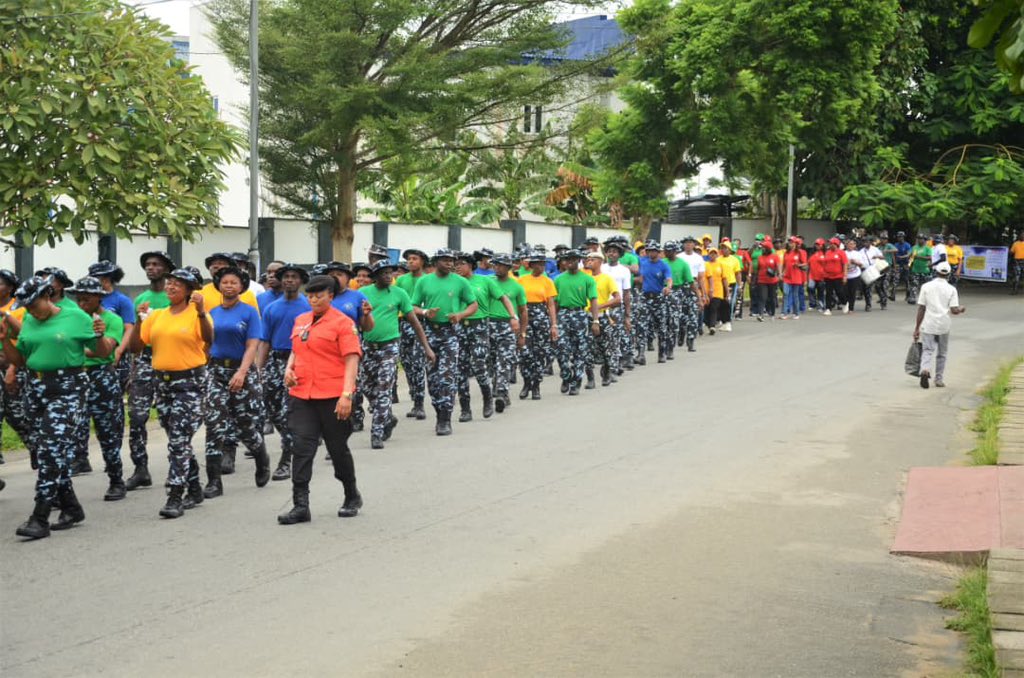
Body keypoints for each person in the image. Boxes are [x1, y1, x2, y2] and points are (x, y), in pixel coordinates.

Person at [3, 276, 112, 539]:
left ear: (48, 296)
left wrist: (99, 336)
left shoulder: (76, 318)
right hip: (36, 387)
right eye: (26, 306)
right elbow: (23, 359)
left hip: (68, 387)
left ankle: (39, 517)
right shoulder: (29, 320)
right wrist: (5, 341)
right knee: (46, 452)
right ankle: (71, 508)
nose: (30, 310)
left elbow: (101, 352)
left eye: (34, 304)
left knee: (51, 450)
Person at [278, 275, 364, 524]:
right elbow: (296, 349)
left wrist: (347, 395)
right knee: (301, 449)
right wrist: (289, 369)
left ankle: (351, 494)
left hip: (333, 395)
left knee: (337, 449)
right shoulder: (301, 320)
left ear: (331, 296)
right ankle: (300, 505)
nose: (314, 299)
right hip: (302, 394)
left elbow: (351, 359)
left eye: (319, 295)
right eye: (311, 295)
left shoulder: (343, 323)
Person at [127, 268, 212, 519]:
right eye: (169, 283)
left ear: (189, 290)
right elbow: (136, 347)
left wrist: (202, 313)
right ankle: (195, 487)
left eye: (177, 284)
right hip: (162, 383)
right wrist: (140, 320)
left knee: (178, 438)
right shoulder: (158, 315)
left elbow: (209, 339)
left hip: (191, 383)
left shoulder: (197, 314)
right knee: (177, 438)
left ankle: (176, 494)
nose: (171, 287)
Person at [202, 266, 271, 498]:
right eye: (224, 282)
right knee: (214, 425)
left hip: (242, 371)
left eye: (234, 282)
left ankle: (262, 459)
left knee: (245, 426)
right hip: (216, 372)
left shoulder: (250, 312)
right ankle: (214, 481)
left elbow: (253, 345)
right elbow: (206, 342)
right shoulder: (212, 311)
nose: (229, 286)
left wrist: (242, 373)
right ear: (218, 286)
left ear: (241, 287)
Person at [360, 260, 434, 448]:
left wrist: (426, 347)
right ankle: (387, 416)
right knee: (367, 388)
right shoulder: (362, 294)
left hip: (390, 346)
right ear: (374, 276)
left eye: (390, 273)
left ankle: (376, 433)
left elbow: (415, 322)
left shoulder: (399, 294)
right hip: (368, 346)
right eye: (383, 273)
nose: (388, 276)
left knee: (384, 387)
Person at [68, 277, 127, 501]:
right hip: (76, 377)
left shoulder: (111, 319)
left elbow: (104, 351)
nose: (82, 302)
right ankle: (65, 482)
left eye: (87, 298)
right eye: (78, 298)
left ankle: (116, 479)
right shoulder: (72, 319)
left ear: (99, 297)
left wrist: (86, 345)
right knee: (72, 429)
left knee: (107, 431)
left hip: (101, 376)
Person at [410, 248, 478, 435]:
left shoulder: (460, 282)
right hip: (430, 332)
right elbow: (412, 306)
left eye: (452, 260)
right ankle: (439, 410)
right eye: (446, 260)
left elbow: (473, 304)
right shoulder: (424, 281)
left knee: (447, 377)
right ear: (436, 261)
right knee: (432, 380)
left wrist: (460, 314)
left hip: (451, 333)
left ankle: (445, 419)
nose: (450, 263)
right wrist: (425, 312)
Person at [124, 250, 176, 491]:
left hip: (169, 360)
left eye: (156, 264)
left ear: (166, 268)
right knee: (136, 416)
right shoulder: (141, 298)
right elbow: (137, 340)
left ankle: (179, 467)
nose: (151, 268)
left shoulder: (173, 296)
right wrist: (133, 371)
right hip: (145, 361)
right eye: (147, 264)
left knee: (170, 419)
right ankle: (140, 468)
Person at [257, 263, 310, 481]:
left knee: (290, 411)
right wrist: (258, 369)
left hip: (299, 361)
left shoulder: (307, 307)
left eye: (293, 277)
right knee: (271, 407)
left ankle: (287, 459)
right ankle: (294, 440)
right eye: (285, 276)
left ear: (300, 281)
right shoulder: (271, 309)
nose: (289, 280)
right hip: (275, 360)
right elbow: (265, 341)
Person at [455, 252, 516, 421]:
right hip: (459, 326)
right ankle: (465, 409)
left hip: (479, 326)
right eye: (456, 264)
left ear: (470, 265)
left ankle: (488, 398)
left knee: (480, 365)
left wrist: (513, 316)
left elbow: (504, 299)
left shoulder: (485, 281)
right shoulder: (454, 282)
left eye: (461, 263)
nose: (457, 267)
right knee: (460, 369)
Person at [553, 249, 599, 395]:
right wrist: (553, 322)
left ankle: (576, 382)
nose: (570, 262)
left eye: (573, 259)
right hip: (563, 315)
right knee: (561, 349)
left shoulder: (587, 279)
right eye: (567, 259)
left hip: (579, 314)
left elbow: (593, 300)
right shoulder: (559, 279)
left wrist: (595, 320)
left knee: (580, 350)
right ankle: (566, 376)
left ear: (578, 261)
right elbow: (554, 303)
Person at [913, 261, 966, 389]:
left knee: (927, 350)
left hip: (929, 323)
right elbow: (954, 310)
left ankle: (925, 370)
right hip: (944, 325)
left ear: (935, 272)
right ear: (948, 274)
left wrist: (916, 328)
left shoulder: (926, 286)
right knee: (942, 353)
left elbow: (921, 308)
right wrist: (961, 309)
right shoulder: (951, 289)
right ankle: (939, 379)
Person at [88, 261, 136, 396]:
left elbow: (129, 328)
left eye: (98, 278)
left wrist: (119, 352)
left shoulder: (121, 300)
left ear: (108, 279)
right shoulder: (89, 298)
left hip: (115, 350)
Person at [517, 250, 558, 400]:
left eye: (542, 264)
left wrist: (554, 324)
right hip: (525, 313)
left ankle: (536, 385)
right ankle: (526, 381)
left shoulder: (547, 281)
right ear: (531, 265)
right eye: (537, 263)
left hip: (541, 314)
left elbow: (551, 305)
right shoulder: (521, 280)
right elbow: (517, 301)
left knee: (540, 352)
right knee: (524, 351)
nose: (540, 266)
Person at [490, 255, 527, 410]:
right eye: (495, 265)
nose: (497, 267)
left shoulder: (517, 286)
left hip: (507, 325)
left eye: (501, 265)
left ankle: (501, 393)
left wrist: (522, 334)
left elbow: (523, 311)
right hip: (488, 324)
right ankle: (497, 386)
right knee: (491, 362)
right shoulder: (488, 282)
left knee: (504, 361)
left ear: (508, 268)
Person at [584, 252, 621, 384]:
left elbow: (617, 299)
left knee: (606, 347)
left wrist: (599, 306)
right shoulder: (584, 277)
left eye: (592, 259)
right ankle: (590, 379)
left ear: (600, 262)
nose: (589, 261)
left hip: (601, 316)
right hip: (585, 317)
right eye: (587, 259)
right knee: (586, 348)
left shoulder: (607, 278)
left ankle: (607, 373)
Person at [637, 240, 674, 362]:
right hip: (645, 297)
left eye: (653, 251)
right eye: (649, 251)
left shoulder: (663, 265)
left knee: (661, 326)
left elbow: (669, 279)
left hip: (658, 298)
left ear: (658, 252)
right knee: (641, 325)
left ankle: (662, 353)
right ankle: (641, 354)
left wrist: (668, 287)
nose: (651, 253)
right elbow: (642, 278)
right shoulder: (644, 263)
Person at [601, 239, 633, 371]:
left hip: (616, 307)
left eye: (614, 252)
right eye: (609, 251)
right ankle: (607, 361)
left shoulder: (624, 271)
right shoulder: (601, 268)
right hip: (602, 307)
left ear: (619, 254)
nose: (611, 254)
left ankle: (618, 361)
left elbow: (626, 294)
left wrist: (627, 315)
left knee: (616, 335)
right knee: (603, 336)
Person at [678, 237, 706, 351]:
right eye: (686, 243)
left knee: (693, 315)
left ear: (694, 245)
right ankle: (681, 332)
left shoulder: (698, 258)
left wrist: (703, 293)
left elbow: (701, 277)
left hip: (693, 285)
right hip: (681, 285)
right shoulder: (679, 257)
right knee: (680, 314)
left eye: (691, 243)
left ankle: (691, 340)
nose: (688, 245)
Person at [703, 248, 730, 334]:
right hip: (707, 290)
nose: (713, 255)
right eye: (711, 254)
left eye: (714, 254)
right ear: (708, 254)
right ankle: (708, 324)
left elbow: (724, 279)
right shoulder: (705, 264)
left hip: (718, 290)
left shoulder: (720, 265)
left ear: (717, 255)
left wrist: (727, 291)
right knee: (707, 308)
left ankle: (712, 326)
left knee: (714, 308)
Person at [754, 239, 780, 320]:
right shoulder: (760, 258)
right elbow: (757, 269)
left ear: (768, 248)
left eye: (764, 248)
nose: (762, 249)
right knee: (762, 297)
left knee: (772, 297)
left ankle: (772, 313)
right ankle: (760, 314)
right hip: (762, 280)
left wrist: (778, 274)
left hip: (772, 280)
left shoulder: (775, 257)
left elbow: (778, 267)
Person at [821, 238, 847, 316]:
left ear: (836, 244)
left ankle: (845, 303)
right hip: (828, 276)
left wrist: (845, 275)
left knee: (839, 291)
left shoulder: (841, 252)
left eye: (832, 243)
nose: (830, 245)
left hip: (838, 276)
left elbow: (845, 264)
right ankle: (828, 308)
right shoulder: (827, 252)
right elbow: (825, 263)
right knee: (828, 293)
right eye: (830, 243)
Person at [843, 238, 869, 313]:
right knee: (845, 292)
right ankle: (846, 304)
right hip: (846, 275)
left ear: (855, 245)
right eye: (849, 244)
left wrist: (856, 262)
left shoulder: (858, 253)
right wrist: (848, 263)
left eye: (852, 244)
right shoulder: (844, 253)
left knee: (852, 292)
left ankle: (851, 308)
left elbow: (862, 265)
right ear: (846, 245)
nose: (850, 245)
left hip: (855, 275)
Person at [907, 234, 933, 303]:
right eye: (918, 238)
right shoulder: (915, 247)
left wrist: (919, 257)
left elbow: (929, 258)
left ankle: (926, 300)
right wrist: (909, 265)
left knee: (925, 286)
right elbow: (912, 257)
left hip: (925, 270)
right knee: (914, 284)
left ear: (924, 240)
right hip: (915, 269)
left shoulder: (927, 248)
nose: (919, 240)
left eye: (921, 239)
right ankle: (913, 298)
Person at [808, 239, 827, 311]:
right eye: (816, 244)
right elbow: (808, 263)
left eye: (819, 244)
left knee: (820, 291)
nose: (817, 246)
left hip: (821, 276)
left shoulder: (825, 254)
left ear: (822, 245)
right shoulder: (812, 253)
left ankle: (821, 305)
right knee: (810, 288)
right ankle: (812, 304)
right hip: (812, 275)